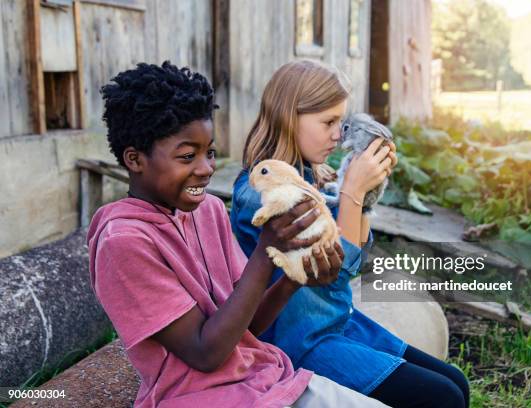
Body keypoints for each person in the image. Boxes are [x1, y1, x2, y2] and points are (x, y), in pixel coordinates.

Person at [87, 61, 389, 407]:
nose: (205, 169)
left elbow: (249, 328)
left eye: (210, 153)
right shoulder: (124, 242)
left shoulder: (209, 211)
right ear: (134, 160)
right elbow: (205, 354)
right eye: (188, 156)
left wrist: (296, 278)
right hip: (203, 398)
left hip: (264, 378)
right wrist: (265, 253)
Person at [230, 60, 470, 408]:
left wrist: (367, 196)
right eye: (327, 122)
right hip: (298, 342)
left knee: (456, 382)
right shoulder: (265, 192)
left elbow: (356, 259)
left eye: (340, 122)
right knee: (442, 398)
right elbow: (333, 270)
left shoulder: (302, 177)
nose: (338, 134)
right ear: (288, 117)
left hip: (337, 322)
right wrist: (352, 192)